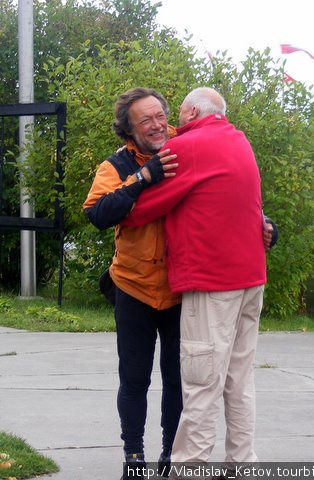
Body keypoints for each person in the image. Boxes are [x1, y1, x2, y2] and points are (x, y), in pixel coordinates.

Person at [121, 87, 270, 470]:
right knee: (239, 380)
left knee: (201, 384)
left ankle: (189, 469)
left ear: (189, 112)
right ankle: (241, 465)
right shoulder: (240, 141)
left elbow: (140, 211)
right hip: (251, 281)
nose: (171, 125)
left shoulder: (188, 148)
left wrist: (133, 187)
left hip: (212, 284)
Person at [83, 87, 181, 479]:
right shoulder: (115, 166)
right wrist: (141, 178)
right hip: (133, 286)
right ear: (129, 127)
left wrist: (263, 223)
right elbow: (98, 213)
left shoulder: (185, 147)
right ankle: (134, 458)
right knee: (134, 378)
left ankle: (172, 456)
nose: (157, 125)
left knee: (177, 380)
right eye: (146, 120)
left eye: (160, 115)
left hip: (179, 287)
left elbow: (223, 187)